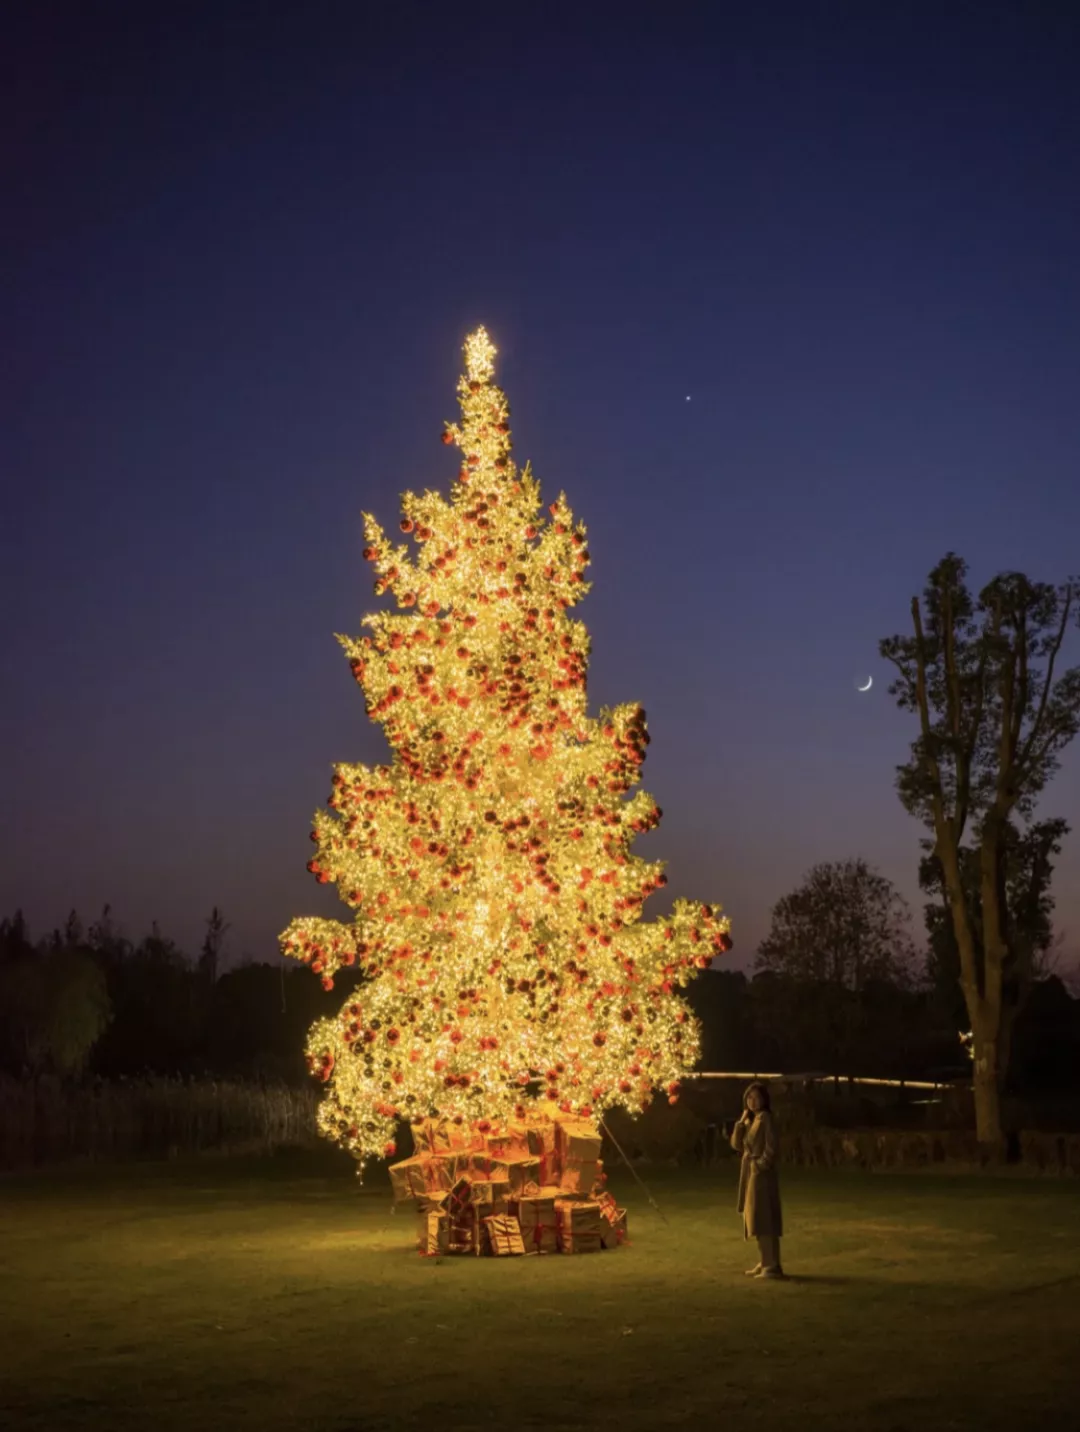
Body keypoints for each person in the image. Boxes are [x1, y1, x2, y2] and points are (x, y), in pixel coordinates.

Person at [730, 1080, 785, 1279]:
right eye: (749, 1097)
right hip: (751, 1174)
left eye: (757, 1097)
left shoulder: (766, 1119)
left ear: (764, 1099)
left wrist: (760, 1165)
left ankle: (772, 1264)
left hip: (762, 1176)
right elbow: (737, 1145)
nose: (753, 1101)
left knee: (764, 1216)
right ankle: (764, 1261)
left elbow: (772, 1146)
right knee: (755, 1217)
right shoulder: (751, 1120)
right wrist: (740, 1124)